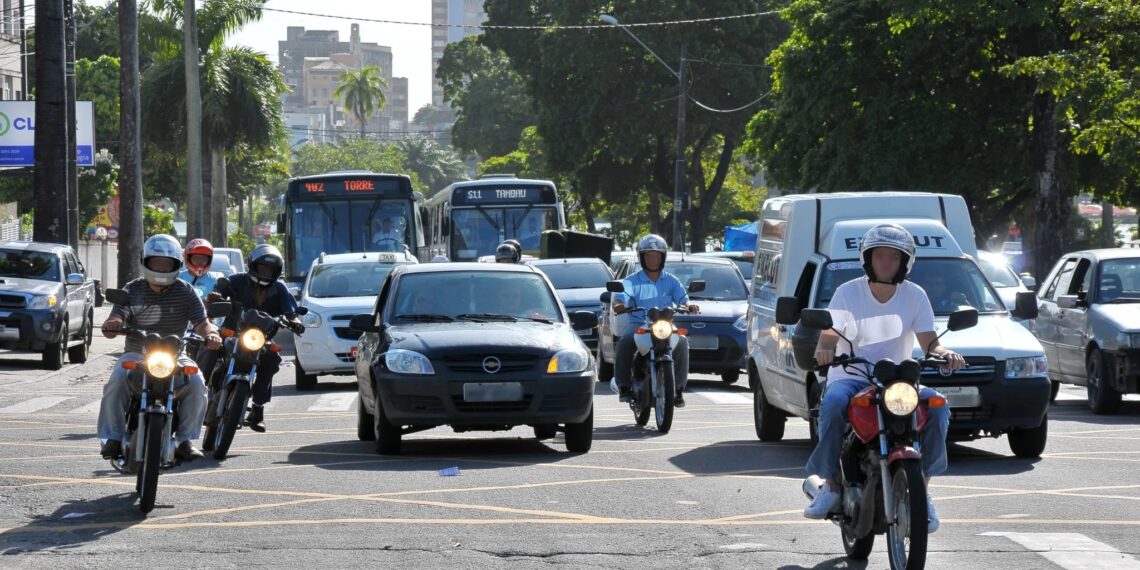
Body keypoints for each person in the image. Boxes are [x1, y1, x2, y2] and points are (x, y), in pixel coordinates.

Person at [804, 223, 966, 532]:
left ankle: (924, 490)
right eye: (880, 256)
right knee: (833, 402)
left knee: (939, 406)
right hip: (852, 374)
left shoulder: (915, 295)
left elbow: (929, 342)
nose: (886, 263)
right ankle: (830, 485)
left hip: (898, 380)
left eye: (894, 257)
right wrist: (824, 351)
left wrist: (945, 353)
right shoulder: (847, 292)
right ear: (868, 259)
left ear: (905, 262)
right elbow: (828, 336)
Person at [97, 234, 223, 462]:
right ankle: (113, 437)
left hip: (176, 354)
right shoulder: (132, 289)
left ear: (176, 264)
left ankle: (185, 440)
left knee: (197, 383)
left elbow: (202, 323)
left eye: (167, 264)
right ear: (145, 261)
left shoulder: (186, 291)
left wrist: (212, 334)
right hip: (137, 353)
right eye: (157, 263)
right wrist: (114, 323)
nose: (162, 268)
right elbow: (117, 316)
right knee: (116, 379)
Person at [205, 244, 300, 432]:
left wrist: (295, 321)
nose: (266, 272)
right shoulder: (235, 281)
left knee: (272, 360)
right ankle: (201, 389)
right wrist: (215, 298)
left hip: (260, 339)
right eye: (262, 268)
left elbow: (291, 311)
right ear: (253, 266)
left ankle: (257, 408)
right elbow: (218, 293)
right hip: (232, 332)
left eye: (270, 269)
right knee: (210, 348)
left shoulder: (279, 288)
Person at [611, 234, 700, 407]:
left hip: (664, 325)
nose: (653, 260)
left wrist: (690, 306)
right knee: (625, 341)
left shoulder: (671, 281)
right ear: (642, 258)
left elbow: (683, 299)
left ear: (663, 258)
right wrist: (620, 304)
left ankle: (678, 389)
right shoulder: (631, 281)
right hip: (639, 324)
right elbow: (622, 297)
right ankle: (623, 386)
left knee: (681, 342)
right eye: (649, 256)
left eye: (657, 256)